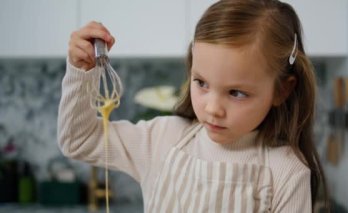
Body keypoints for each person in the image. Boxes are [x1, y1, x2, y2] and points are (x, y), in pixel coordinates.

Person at [58, 0, 327, 212]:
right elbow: (78, 140)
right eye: (201, 83)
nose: (212, 108)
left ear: (282, 90)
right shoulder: (163, 139)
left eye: (236, 92)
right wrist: (81, 72)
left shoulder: (286, 172)